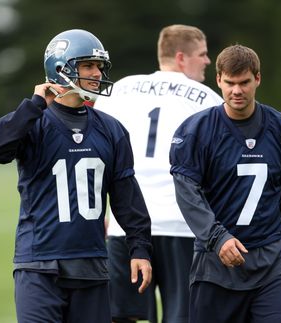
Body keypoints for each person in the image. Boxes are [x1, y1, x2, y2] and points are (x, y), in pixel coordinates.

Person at [0, 29, 152, 323]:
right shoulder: (33, 121)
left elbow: (126, 197)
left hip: (92, 264)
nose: (97, 73)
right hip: (39, 265)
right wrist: (34, 105)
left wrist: (140, 248)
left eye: (99, 66)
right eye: (88, 65)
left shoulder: (111, 129)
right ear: (61, 68)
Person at [169, 44, 281, 323]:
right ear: (218, 81)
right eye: (230, 83)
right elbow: (188, 195)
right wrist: (217, 237)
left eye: (244, 82)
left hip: (271, 260)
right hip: (216, 265)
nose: (237, 91)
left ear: (257, 79)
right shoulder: (196, 131)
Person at [94, 24, 223, 323]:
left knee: (122, 317)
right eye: (202, 54)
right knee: (184, 317)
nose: (207, 61)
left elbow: (99, 156)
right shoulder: (207, 98)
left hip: (126, 225)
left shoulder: (119, 91)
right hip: (183, 225)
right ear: (181, 57)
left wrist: (103, 212)